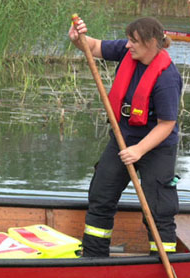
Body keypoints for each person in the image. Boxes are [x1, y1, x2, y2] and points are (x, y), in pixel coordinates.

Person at [69, 17, 182, 257]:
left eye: (134, 41)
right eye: (128, 40)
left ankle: (164, 260)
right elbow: (94, 46)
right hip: (122, 140)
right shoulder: (127, 51)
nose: (128, 45)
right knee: (101, 195)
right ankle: (93, 256)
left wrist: (139, 150)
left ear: (152, 43)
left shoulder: (167, 78)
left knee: (158, 208)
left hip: (156, 147)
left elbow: (166, 124)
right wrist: (79, 38)